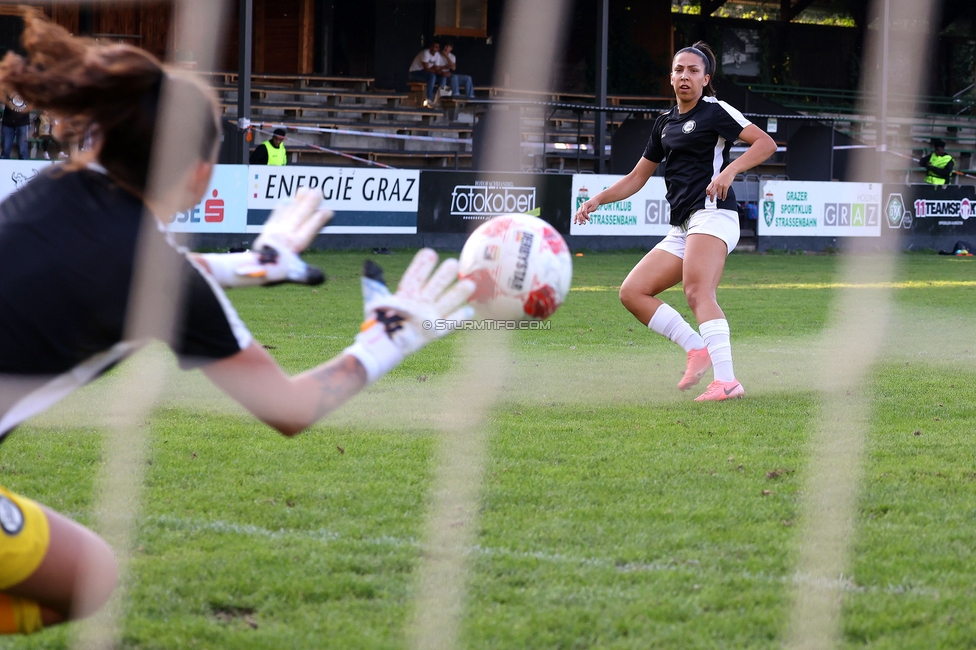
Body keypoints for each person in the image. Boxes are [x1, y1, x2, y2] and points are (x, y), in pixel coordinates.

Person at [0, 11, 474, 635]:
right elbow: (290, 407)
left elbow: (88, 267)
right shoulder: (162, 276)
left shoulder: (44, 189)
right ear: (199, 176)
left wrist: (250, 266)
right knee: (90, 578)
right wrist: (391, 337)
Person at [574, 41, 776, 402]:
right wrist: (597, 199)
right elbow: (637, 178)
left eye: (693, 71)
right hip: (682, 225)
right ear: (670, 77)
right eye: (679, 69)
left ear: (705, 78)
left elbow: (765, 144)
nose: (685, 76)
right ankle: (696, 349)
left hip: (713, 215)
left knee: (697, 291)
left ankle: (727, 381)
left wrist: (729, 171)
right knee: (633, 292)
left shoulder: (715, 111)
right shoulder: (664, 123)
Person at [408, 40, 443, 107]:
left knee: (442, 78)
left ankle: (439, 99)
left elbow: (437, 67)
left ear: (438, 49)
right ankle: (428, 99)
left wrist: (441, 73)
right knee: (432, 76)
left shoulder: (437, 55)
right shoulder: (425, 53)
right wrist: (437, 72)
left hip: (426, 74)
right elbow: (426, 69)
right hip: (415, 73)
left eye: (436, 47)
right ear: (430, 47)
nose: (434, 49)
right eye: (433, 47)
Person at [1, 92, 30, 159]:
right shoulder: (9, 86)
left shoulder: (28, 88)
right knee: (5, 149)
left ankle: (23, 168)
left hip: (23, 122)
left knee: (23, 151)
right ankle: (3, 168)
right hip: (8, 122)